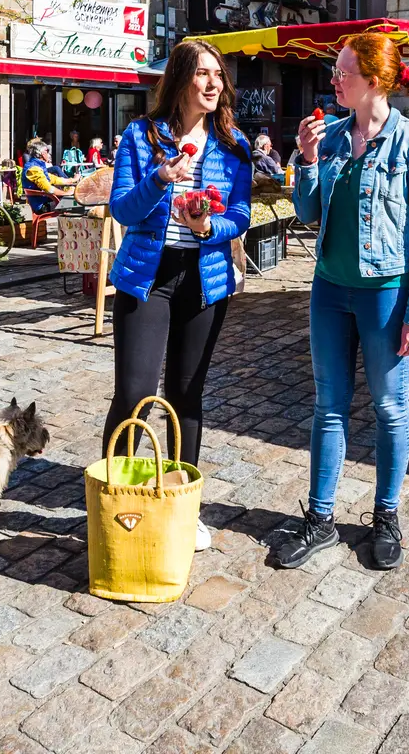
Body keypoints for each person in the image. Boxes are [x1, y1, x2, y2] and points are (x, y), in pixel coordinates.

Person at [276, 33, 409, 572]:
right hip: (330, 289)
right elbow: (306, 212)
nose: (334, 79)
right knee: (328, 405)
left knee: (390, 407)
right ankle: (321, 519)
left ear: (372, 80)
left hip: (386, 294)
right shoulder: (329, 139)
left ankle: (386, 515)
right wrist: (304, 159)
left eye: (343, 72)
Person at [105, 40, 252, 552]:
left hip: (205, 278)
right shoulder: (142, 137)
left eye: (219, 76)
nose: (214, 84)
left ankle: (182, 506)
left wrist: (209, 224)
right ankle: (117, 498)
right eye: (204, 74)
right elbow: (122, 209)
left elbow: (241, 214)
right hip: (148, 277)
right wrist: (159, 178)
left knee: (186, 396)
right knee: (134, 395)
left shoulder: (234, 146)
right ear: (182, 79)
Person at [23, 137, 76, 211]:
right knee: (76, 203)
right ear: (42, 153)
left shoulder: (37, 165)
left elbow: (52, 178)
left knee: (73, 201)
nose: (49, 154)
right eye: (47, 151)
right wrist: (66, 193)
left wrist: (71, 180)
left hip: (45, 200)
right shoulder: (34, 168)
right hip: (42, 206)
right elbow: (48, 189)